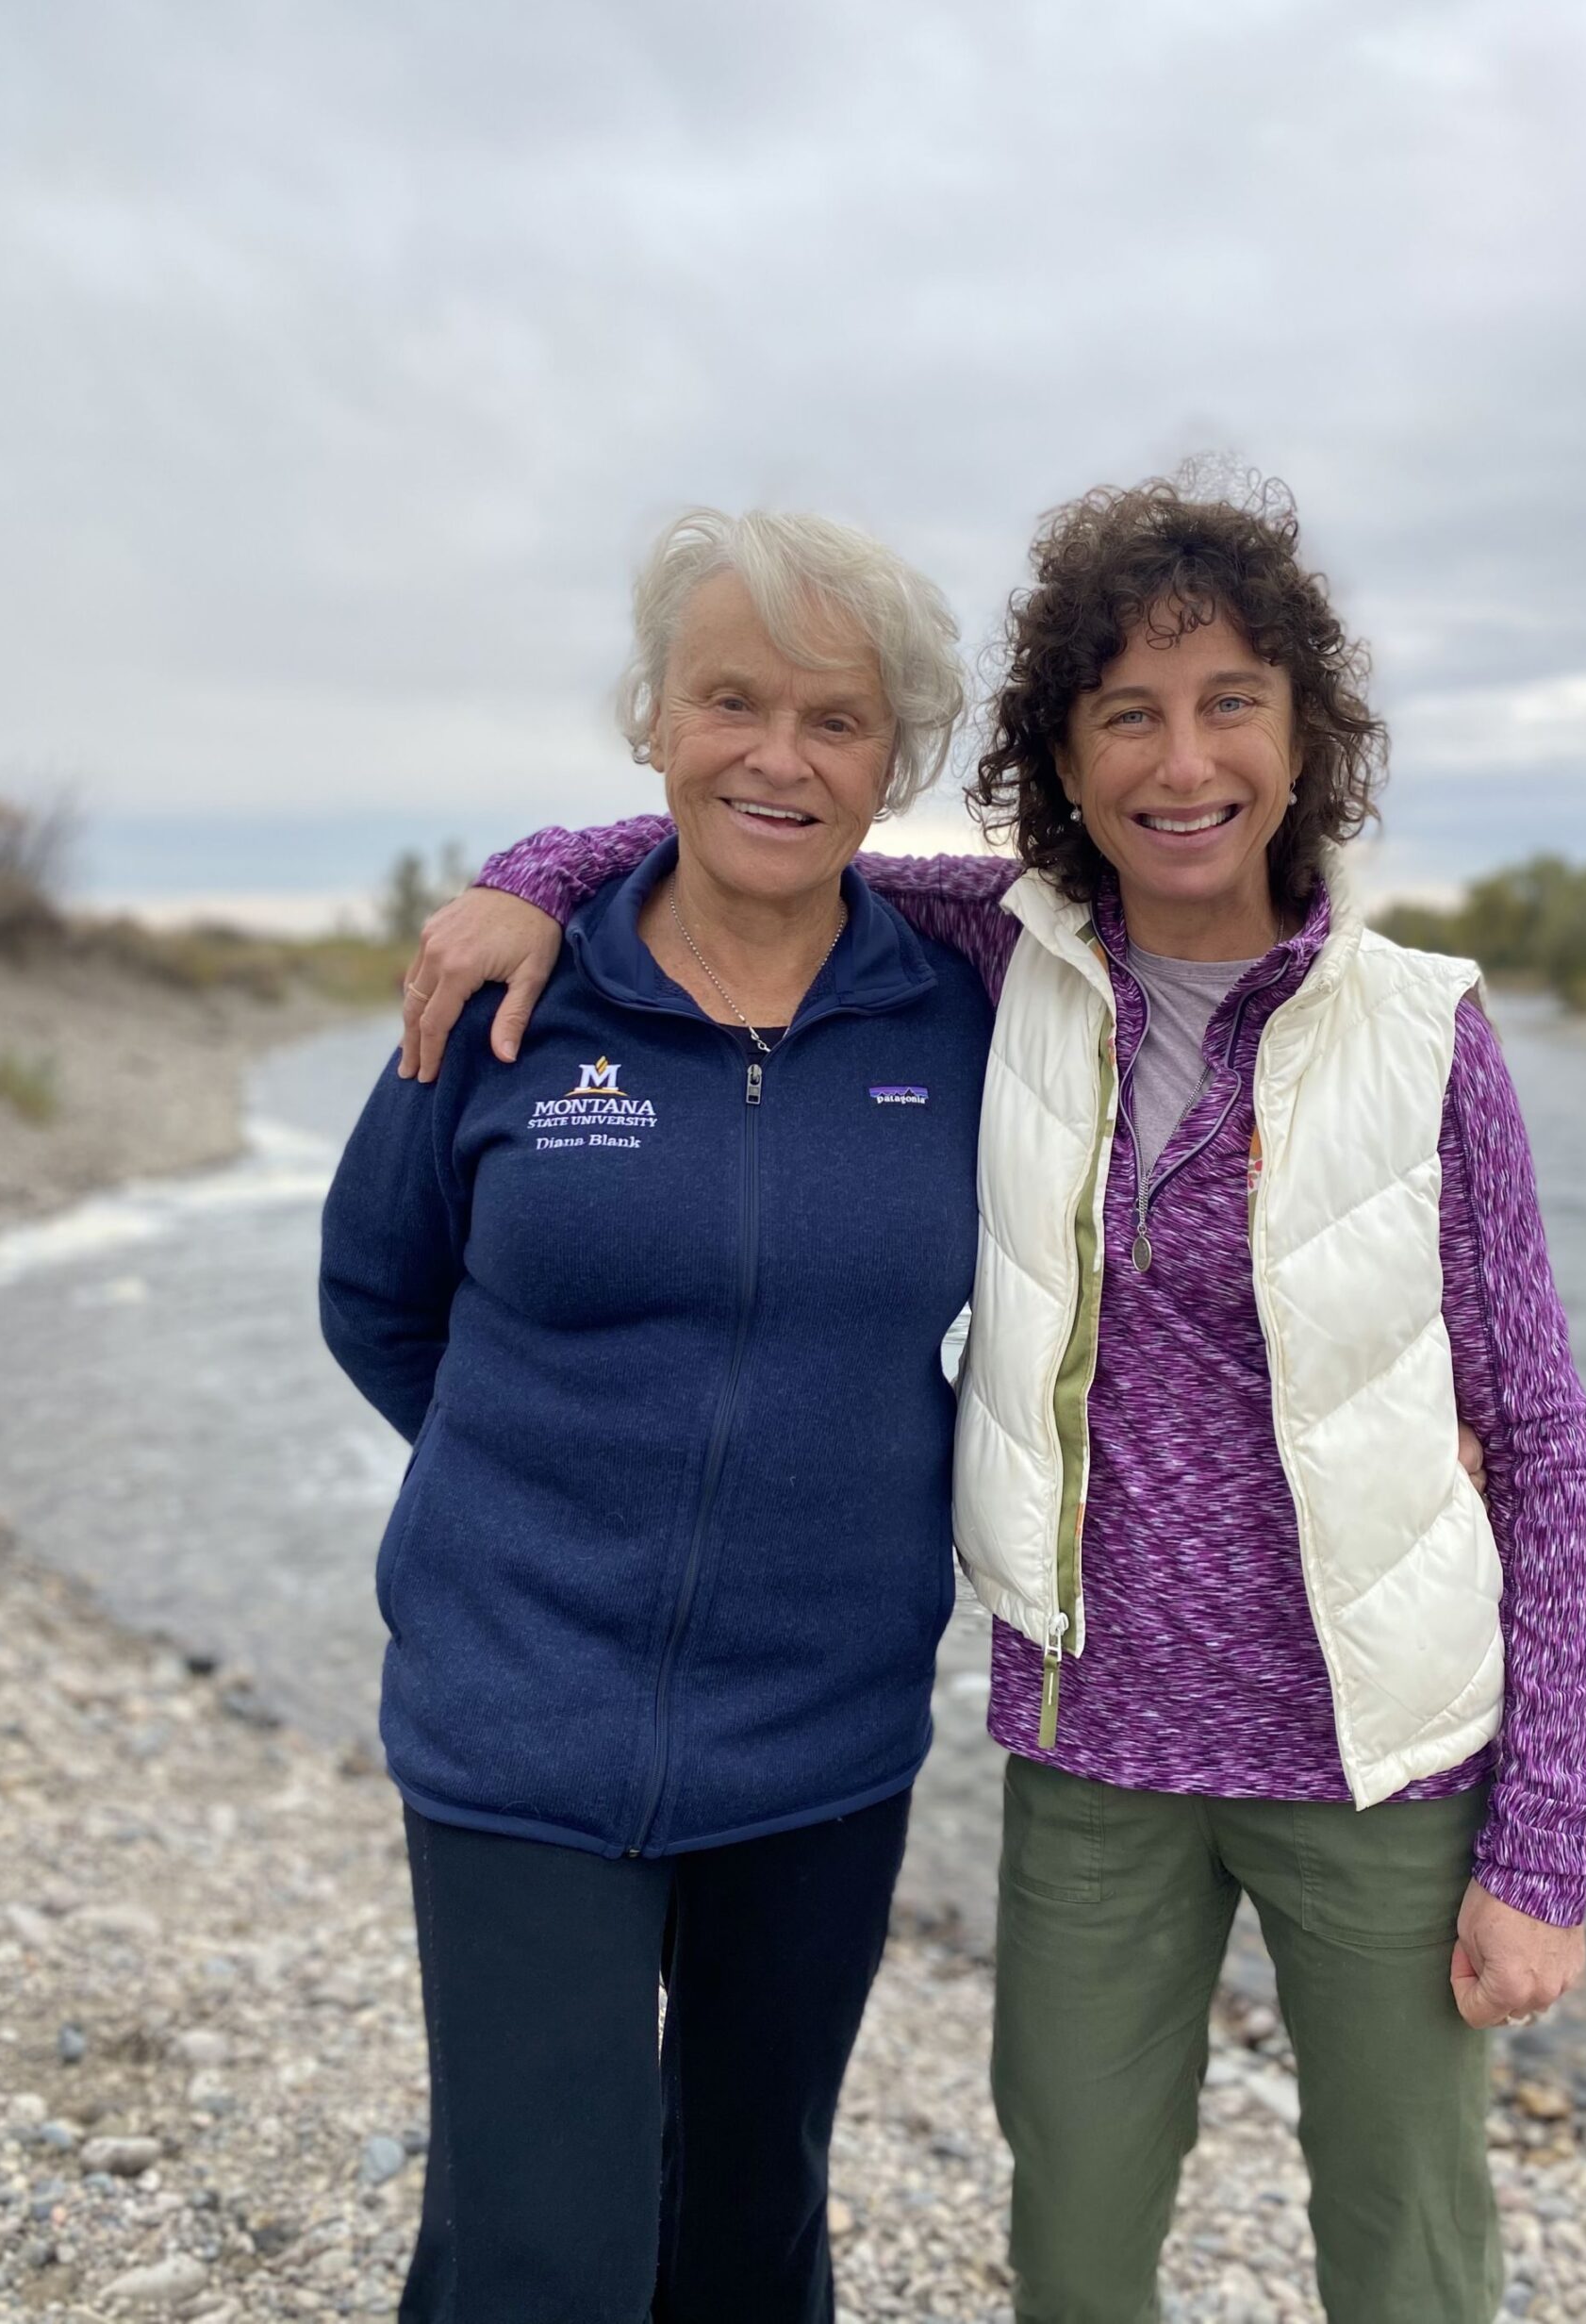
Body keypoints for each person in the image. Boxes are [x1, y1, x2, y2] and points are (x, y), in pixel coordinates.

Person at [405, 471, 1586, 2324]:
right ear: (1065, 750)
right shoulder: (1006, 956)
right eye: (1127, 709)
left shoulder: (1429, 1028)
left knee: (1412, 2245)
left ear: (1308, 734)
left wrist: (1545, 1840)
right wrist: (529, 878)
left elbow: (1538, 1435)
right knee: (1074, 2239)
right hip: (1091, 1750)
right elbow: (760, 835)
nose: (1181, 757)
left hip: (1384, 1757)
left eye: (1231, 703)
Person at [320, 506, 995, 2324]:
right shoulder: (510, 997)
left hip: (826, 1736)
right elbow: (377, 1293)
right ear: (654, 720)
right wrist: (524, 1499)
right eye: (730, 702)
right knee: (548, 2249)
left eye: (837, 720)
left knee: (752, 2231)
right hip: (518, 1719)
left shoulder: (969, 1012)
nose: (779, 755)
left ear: (895, 762)